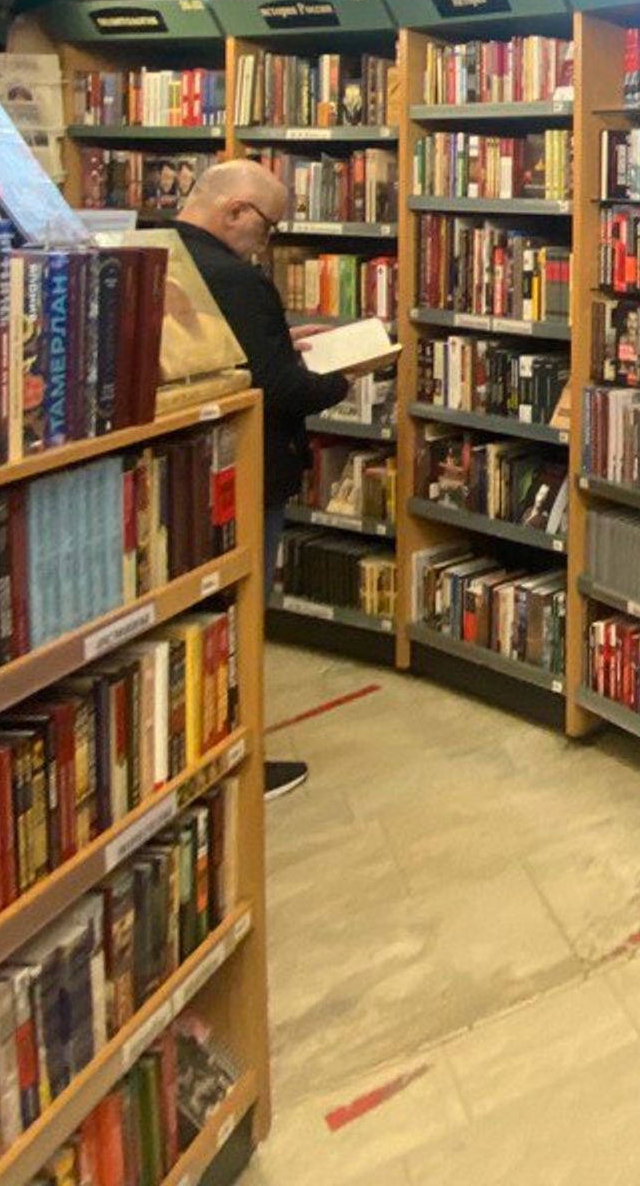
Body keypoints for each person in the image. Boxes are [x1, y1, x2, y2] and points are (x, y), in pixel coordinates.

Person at [176, 160, 384, 800]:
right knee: (240, 624)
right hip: (247, 470)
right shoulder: (238, 278)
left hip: (187, 472)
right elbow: (277, 390)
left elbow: (232, 356)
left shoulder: (163, 255)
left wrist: (282, 342)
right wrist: (350, 371)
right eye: (266, 226)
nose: (267, 242)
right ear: (235, 212)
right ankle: (238, 757)